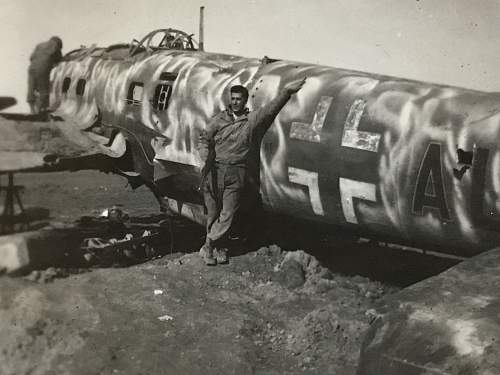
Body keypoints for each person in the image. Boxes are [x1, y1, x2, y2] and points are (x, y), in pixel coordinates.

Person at [198, 78, 306, 265]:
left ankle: (208, 245)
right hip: (214, 171)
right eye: (233, 98)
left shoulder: (251, 120)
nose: (235, 102)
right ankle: (219, 248)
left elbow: (271, 109)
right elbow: (204, 139)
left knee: (228, 214)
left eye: (239, 99)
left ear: (245, 100)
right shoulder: (218, 120)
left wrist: (286, 92)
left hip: (236, 172)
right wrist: (204, 157)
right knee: (213, 213)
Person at [27, 36, 63, 115]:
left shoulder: (39, 45)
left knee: (31, 89)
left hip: (32, 68)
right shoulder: (56, 46)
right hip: (43, 69)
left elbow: (31, 57)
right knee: (44, 90)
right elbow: (59, 59)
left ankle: (32, 110)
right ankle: (39, 111)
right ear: (59, 44)